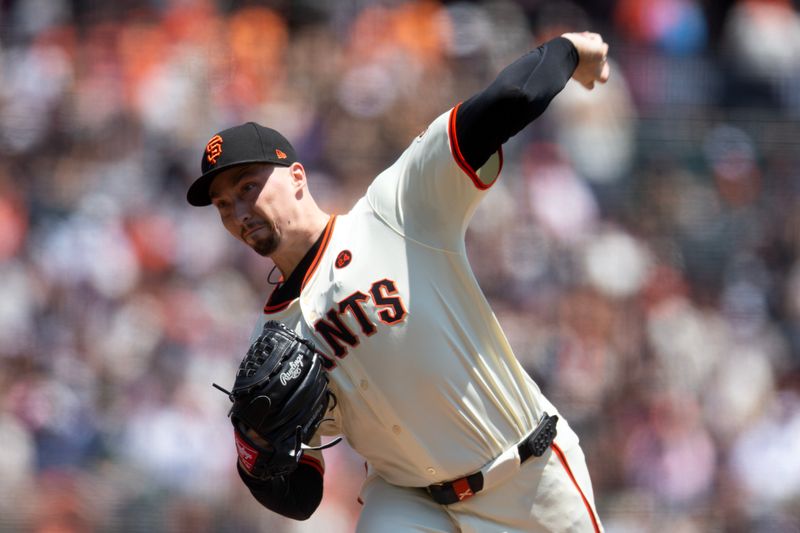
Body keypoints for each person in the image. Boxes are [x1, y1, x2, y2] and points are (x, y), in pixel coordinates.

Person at [187, 31, 610, 532]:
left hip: (528, 476)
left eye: (247, 187)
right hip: (411, 502)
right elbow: (301, 496)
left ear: (297, 177)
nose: (238, 210)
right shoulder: (274, 344)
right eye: (223, 205)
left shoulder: (394, 211)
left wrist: (568, 49)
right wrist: (252, 449)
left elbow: (508, 101)